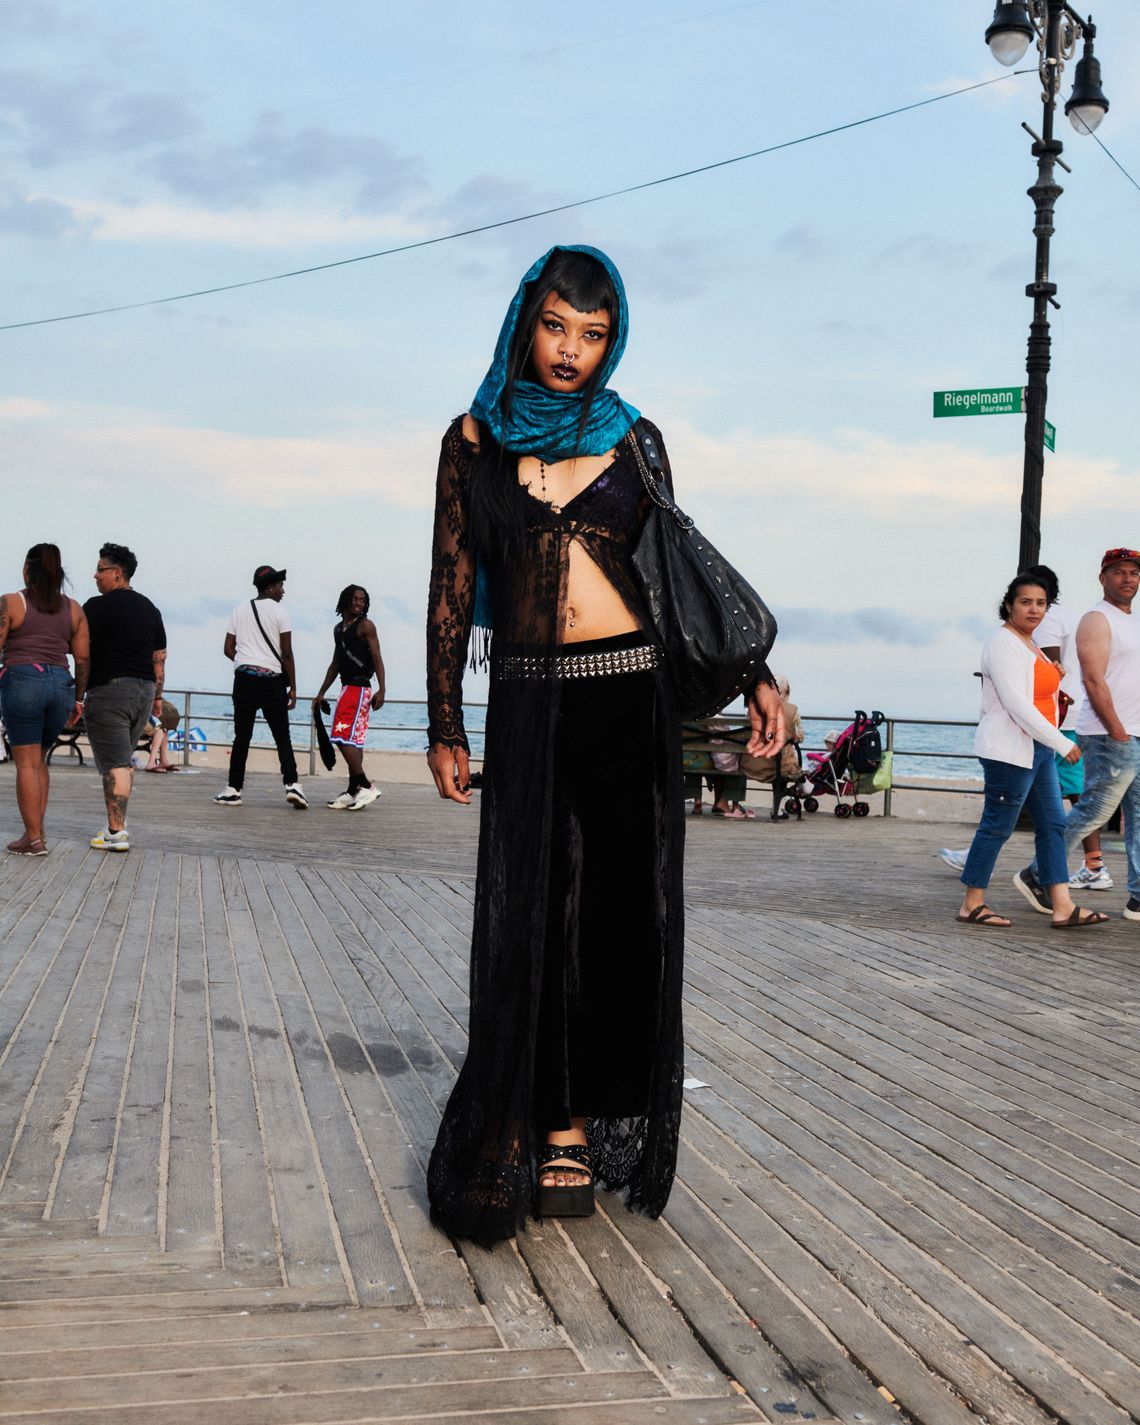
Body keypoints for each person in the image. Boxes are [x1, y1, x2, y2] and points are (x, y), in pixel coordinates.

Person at [424, 245, 784, 1244]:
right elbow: (452, 587)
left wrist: (755, 675)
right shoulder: (472, 440)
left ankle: (591, 1116)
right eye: (555, 325)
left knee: (622, 917)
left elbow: (680, 571)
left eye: (594, 333)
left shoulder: (636, 438)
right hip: (531, 703)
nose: (572, 349)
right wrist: (445, 721)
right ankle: (547, 1117)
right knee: (534, 913)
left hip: (632, 699)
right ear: (523, 323)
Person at [958, 573, 1106, 929]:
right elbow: (1016, 704)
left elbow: (1041, 699)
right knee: (997, 826)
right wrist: (1062, 742)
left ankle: (1062, 905)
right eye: (1026, 602)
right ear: (1009, 605)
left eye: (1041, 603)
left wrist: (1054, 675)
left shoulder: (1031, 644)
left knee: (1053, 824)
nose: (1034, 609)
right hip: (1009, 751)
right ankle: (972, 904)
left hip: (1036, 749)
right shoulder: (1003, 643)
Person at [1015, 548, 1140, 922]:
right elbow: (1092, 679)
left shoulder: (1133, 621)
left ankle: (1137, 898)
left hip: (1134, 732)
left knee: (1137, 817)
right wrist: (1117, 731)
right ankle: (1037, 873)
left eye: (1134, 573)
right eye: (1119, 572)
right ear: (1103, 578)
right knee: (1092, 812)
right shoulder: (1097, 620)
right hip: (1108, 734)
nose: (1129, 579)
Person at [0, 544, 89, 855]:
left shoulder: (13, 602)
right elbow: (82, 658)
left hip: (23, 680)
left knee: (25, 762)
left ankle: (33, 839)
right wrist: (78, 700)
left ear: (28, 569)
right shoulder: (74, 609)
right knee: (39, 758)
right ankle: (36, 832)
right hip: (61, 686)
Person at [82, 542, 167, 853]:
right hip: (143, 692)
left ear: (117, 574)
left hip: (109, 691)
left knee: (116, 763)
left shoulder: (95, 607)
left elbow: (80, 654)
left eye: (100, 569)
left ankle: (117, 832)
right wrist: (157, 698)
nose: (95, 575)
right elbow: (159, 658)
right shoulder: (150, 608)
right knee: (122, 761)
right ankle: (113, 827)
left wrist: (78, 693)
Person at [214, 565, 306, 809]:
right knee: (282, 736)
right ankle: (292, 785)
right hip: (272, 681)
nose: (283, 590)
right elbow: (287, 653)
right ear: (269, 587)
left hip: (244, 680)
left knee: (242, 736)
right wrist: (293, 688)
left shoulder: (238, 610)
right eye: (279, 585)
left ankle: (233, 789)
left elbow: (227, 648)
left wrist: (246, 661)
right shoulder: (280, 612)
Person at [312, 585, 386, 810]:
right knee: (354, 740)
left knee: (341, 736)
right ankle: (354, 790)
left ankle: (366, 786)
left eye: (362, 600)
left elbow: (377, 657)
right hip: (347, 688)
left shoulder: (366, 626)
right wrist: (321, 692)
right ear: (345, 600)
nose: (359, 603)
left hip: (360, 688)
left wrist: (382, 689)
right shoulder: (338, 629)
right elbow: (335, 664)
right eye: (354, 599)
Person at [140, 698, 181, 772]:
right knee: (160, 728)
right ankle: (151, 762)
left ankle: (163, 760)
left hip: (139, 720)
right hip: (135, 725)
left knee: (164, 724)